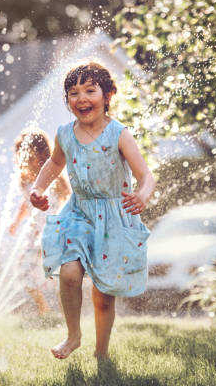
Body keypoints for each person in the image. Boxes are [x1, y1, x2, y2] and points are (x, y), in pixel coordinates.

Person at [29, 62, 155, 359]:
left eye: (90, 90)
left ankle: (101, 353)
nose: (81, 98)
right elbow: (55, 163)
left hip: (113, 218)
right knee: (69, 272)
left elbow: (146, 175)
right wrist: (39, 189)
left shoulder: (118, 134)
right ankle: (73, 336)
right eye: (73, 93)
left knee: (103, 296)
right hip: (79, 212)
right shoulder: (65, 134)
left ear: (108, 93)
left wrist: (143, 195)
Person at [9, 129, 70, 316]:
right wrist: (16, 222)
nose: (21, 156)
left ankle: (65, 311)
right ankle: (43, 308)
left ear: (39, 153)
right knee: (23, 270)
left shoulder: (54, 175)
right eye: (19, 152)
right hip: (33, 232)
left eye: (24, 151)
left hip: (53, 230)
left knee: (58, 273)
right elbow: (25, 204)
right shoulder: (25, 180)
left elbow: (66, 197)